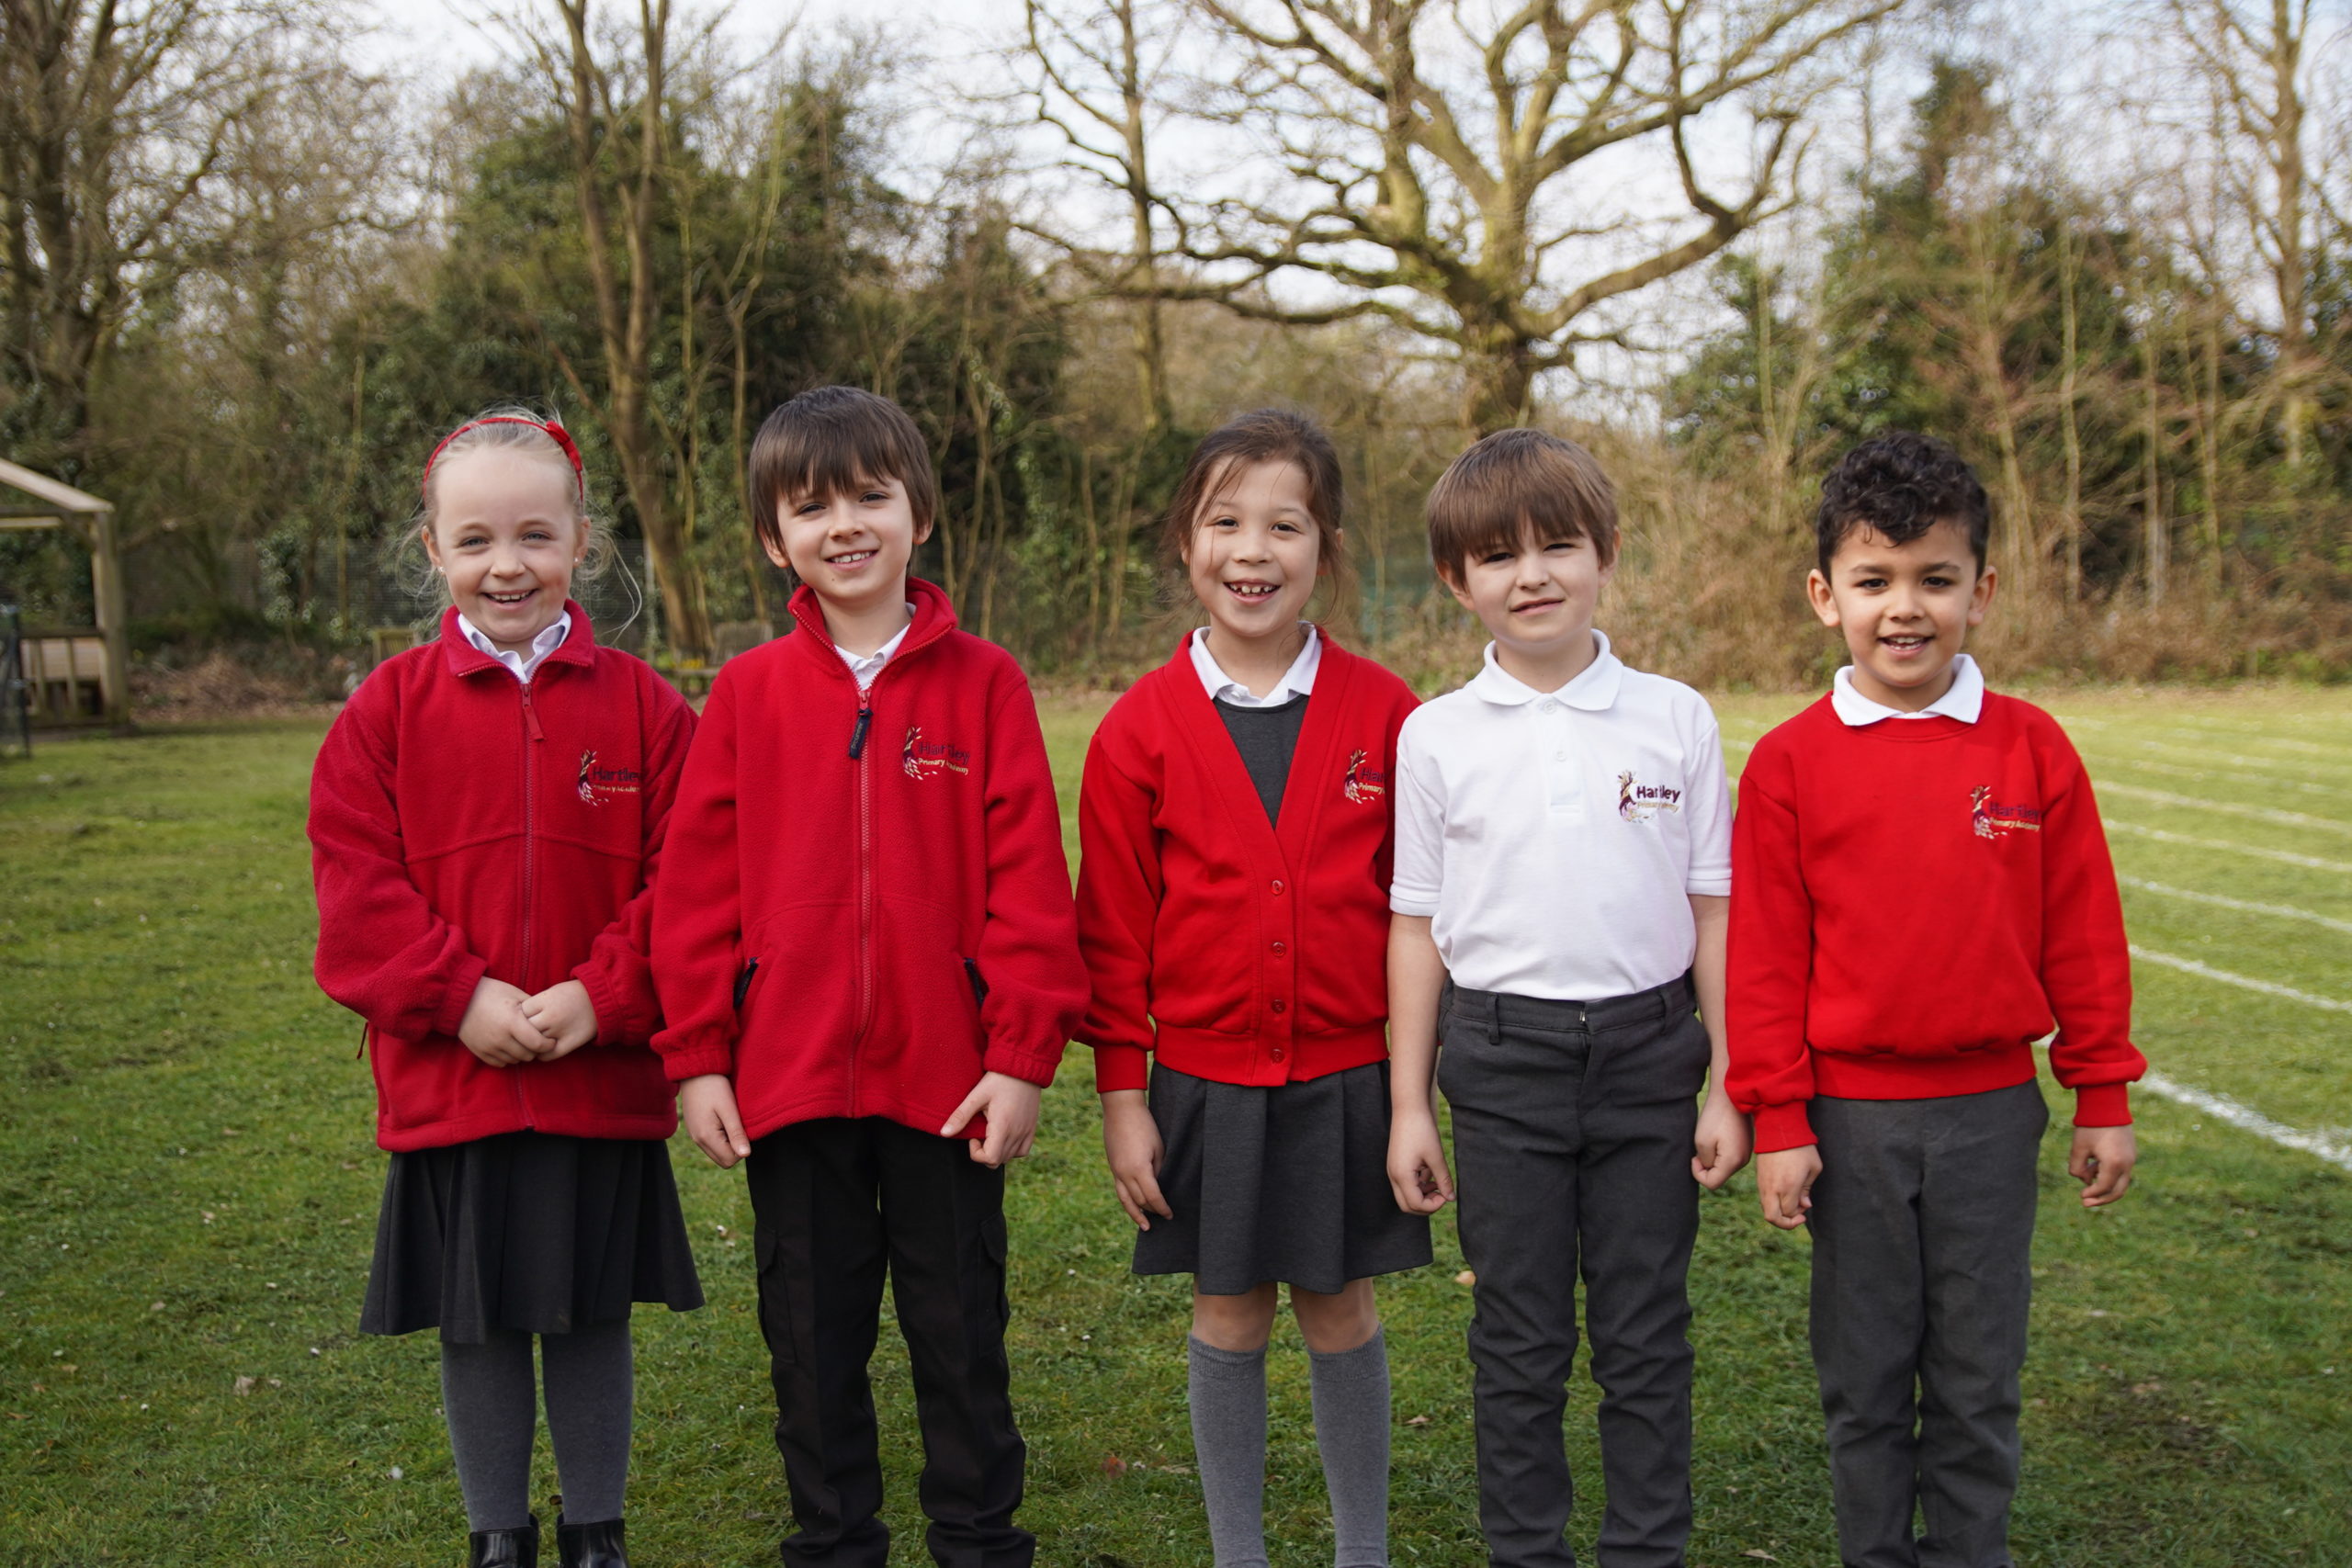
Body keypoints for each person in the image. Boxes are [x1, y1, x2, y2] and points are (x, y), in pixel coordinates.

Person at [650, 385, 1087, 1568]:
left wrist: (1020, 1060)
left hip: (948, 1081)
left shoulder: (985, 683)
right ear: (770, 537)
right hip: (784, 1080)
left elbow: (1030, 889)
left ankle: (979, 1537)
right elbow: (693, 895)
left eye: (869, 497)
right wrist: (697, 1057)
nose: (844, 525)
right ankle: (834, 1539)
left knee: (960, 1331)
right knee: (811, 1334)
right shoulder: (744, 693)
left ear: (920, 514)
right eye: (810, 506)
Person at [1726, 432, 2145, 1568]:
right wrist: (1778, 1118)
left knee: (1974, 1377)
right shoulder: (1788, 764)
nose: (1903, 609)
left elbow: (2085, 937)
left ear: (1982, 589)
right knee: (1864, 1380)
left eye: (1934, 579)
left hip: (1988, 1120)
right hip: (1850, 1128)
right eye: (1874, 582)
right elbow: (1764, 962)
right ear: (1826, 597)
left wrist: (2100, 1092)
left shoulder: (2032, 749)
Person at [310, 409, 701, 1568]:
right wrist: (458, 995)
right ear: (433, 550)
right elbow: (356, 887)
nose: (507, 564)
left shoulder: (645, 707)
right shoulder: (386, 710)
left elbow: (694, 879)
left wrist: (604, 995)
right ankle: (497, 1536)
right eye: (475, 539)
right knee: (477, 1325)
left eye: (535, 534)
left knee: (588, 1315)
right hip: (453, 1080)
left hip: (598, 1076)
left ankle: (596, 1533)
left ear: (581, 540)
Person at [1076, 409, 1431, 1568]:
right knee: (1227, 1313)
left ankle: (1360, 1550)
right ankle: (1239, 1552)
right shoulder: (1137, 730)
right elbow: (1113, 936)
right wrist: (1125, 1100)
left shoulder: (1390, 717)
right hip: (1205, 1086)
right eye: (1225, 521)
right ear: (1186, 541)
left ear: (1326, 549)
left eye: (1285, 524)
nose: (1252, 550)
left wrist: (1412, 1092)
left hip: (1347, 1080)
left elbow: (1419, 918)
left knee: (1341, 1308)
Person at [1385, 427, 1746, 1568]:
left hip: (1650, 1060)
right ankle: (1524, 1551)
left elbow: (1713, 913)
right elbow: (1414, 927)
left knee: (1643, 1337)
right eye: (1497, 556)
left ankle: (1647, 1549)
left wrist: (1730, 1081)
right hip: (1500, 1067)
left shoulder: (1675, 717)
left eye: (1557, 546)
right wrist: (1409, 1108)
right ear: (1457, 580)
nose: (1530, 574)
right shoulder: (1434, 735)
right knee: (1519, 1339)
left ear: (1607, 554)